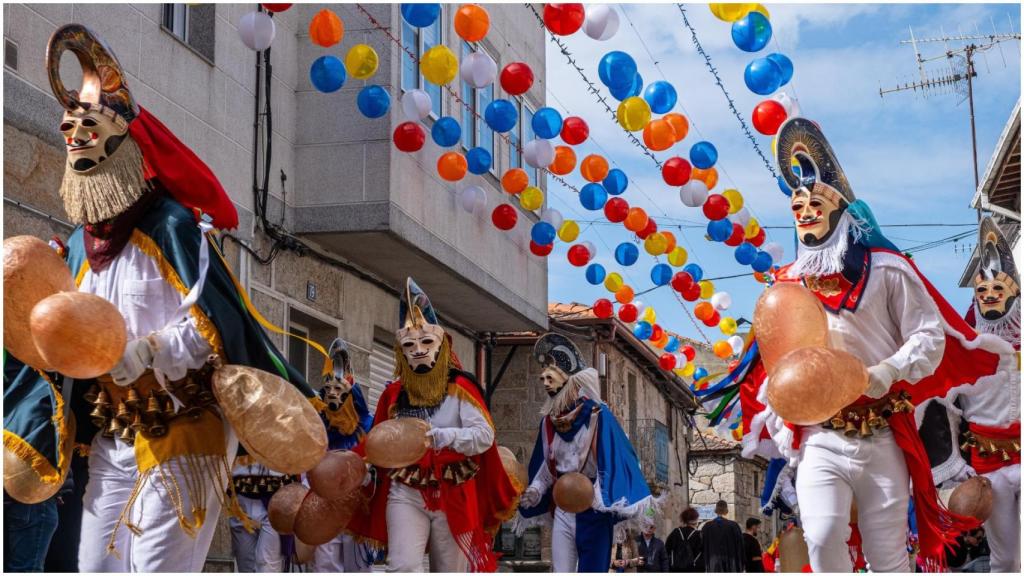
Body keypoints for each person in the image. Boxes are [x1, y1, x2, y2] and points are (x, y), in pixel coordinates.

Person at [4, 24, 320, 572]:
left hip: (184, 425)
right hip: (115, 432)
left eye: (89, 123)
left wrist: (150, 349)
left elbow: (213, 325)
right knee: (95, 565)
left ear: (124, 137)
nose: (73, 132)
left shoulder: (172, 227)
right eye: (68, 125)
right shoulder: (78, 247)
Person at [738, 117, 1007, 571]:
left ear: (841, 206)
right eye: (796, 203)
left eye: (815, 200)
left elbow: (928, 337)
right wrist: (788, 417)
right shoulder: (785, 286)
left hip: (882, 431)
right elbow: (776, 360)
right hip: (821, 436)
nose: (803, 210)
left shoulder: (887, 269)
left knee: (887, 555)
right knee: (822, 540)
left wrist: (886, 371)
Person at [347, 278, 520, 572]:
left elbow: (484, 436)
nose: (417, 349)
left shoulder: (462, 387)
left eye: (426, 342)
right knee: (402, 565)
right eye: (409, 344)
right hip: (406, 490)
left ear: (441, 345)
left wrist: (443, 436)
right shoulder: (394, 393)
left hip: (455, 490)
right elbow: (376, 440)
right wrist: (355, 465)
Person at [918, 216, 1020, 573]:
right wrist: (952, 467)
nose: (990, 296)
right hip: (987, 464)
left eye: (999, 290)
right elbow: (942, 403)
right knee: (1005, 557)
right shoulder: (964, 348)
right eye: (982, 291)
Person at [515, 333, 659, 573]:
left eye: (551, 378)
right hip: (562, 506)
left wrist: (599, 498)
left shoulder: (598, 416)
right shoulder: (548, 423)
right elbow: (546, 467)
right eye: (543, 379)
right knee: (561, 569)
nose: (545, 384)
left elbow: (614, 458)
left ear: (569, 381)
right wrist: (536, 489)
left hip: (593, 507)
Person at [311, 338, 374, 573]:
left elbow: (377, 462)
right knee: (324, 564)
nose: (331, 395)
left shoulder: (369, 424)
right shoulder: (319, 428)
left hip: (357, 505)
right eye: (327, 390)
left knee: (357, 565)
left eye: (338, 389)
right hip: (325, 503)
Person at [700, 500, 744, 572]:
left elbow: (702, 546)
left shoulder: (707, 527)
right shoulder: (734, 526)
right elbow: (740, 546)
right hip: (730, 563)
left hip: (713, 563)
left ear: (716, 511)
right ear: (726, 510)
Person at [665, 507, 703, 572]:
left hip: (675, 569)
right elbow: (701, 555)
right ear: (696, 520)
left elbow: (666, 550)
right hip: (692, 570)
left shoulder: (675, 532)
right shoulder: (698, 535)